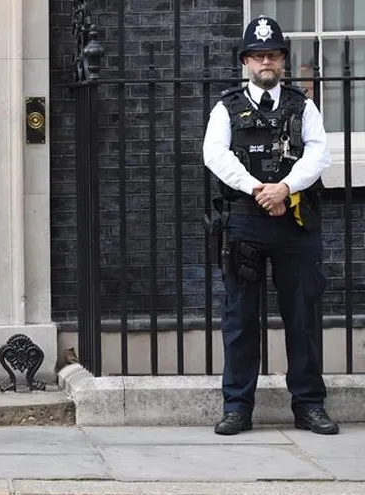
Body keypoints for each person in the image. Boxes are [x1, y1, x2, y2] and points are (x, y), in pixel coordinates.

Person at [202, 15, 338, 436]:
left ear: (283, 60)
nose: (266, 62)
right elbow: (214, 154)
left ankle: (309, 406)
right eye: (258, 55)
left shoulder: (303, 106)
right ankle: (238, 408)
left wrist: (284, 187)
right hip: (245, 222)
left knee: (303, 318)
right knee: (240, 319)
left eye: (273, 55)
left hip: (296, 225)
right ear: (246, 61)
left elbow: (320, 155)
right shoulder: (226, 107)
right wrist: (259, 188)